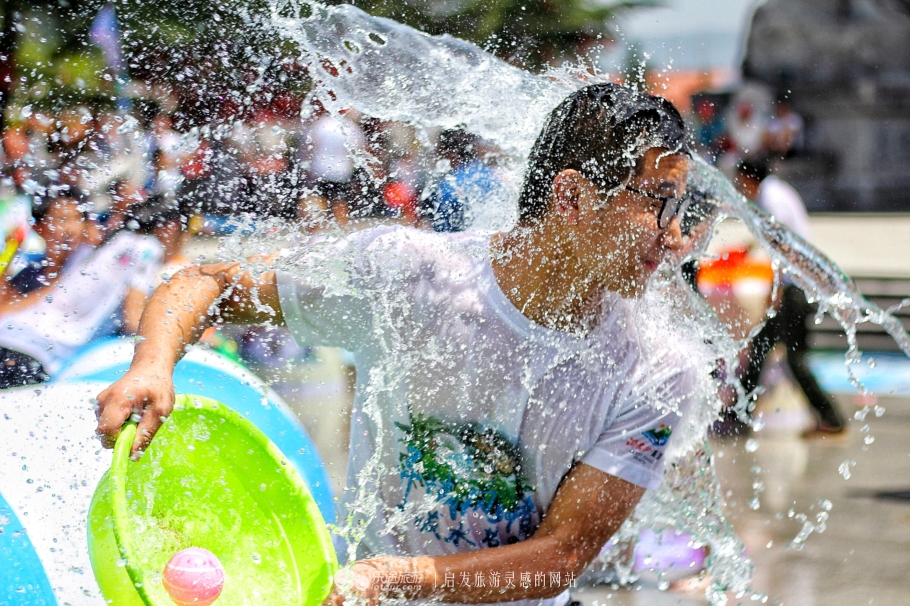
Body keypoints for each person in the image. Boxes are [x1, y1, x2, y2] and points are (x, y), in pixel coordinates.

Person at [95, 83, 699, 605]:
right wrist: (151, 365)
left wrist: (396, 577)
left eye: (683, 209)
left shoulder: (656, 369)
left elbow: (563, 555)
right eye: (660, 205)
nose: (678, 238)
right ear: (571, 198)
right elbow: (205, 282)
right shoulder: (410, 276)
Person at [0, 197, 169, 388]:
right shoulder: (145, 248)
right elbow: (134, 319)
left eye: (76, 219)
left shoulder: (92, 257)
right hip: (32, 354)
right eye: (62, 219)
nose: (70, 229)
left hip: (20, 347)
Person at [734, 160, 846, 437]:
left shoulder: (772, 198)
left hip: (794, 288)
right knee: (760, 345)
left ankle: (832, 418)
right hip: (795, 285)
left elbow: (783, 249)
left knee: (796, 359)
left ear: (750, 178)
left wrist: (776, 293)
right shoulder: (774, 193)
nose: (739, 188)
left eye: (740, 181)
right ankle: (740, 412)